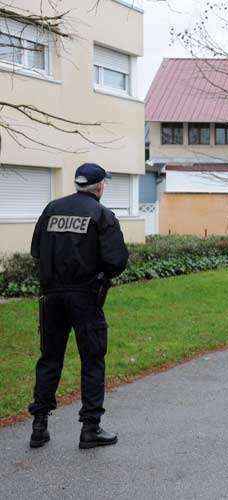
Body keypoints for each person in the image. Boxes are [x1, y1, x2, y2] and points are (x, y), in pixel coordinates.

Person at [28, 163, 129, 450]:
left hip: (52, 298)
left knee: (49, 358)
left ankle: (39, 426)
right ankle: (90, 428)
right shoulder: (102, 215)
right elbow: (116, 261)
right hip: (85, 297)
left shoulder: (51, 209)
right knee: (93, 359)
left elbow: (36, 250)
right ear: (99, 187)